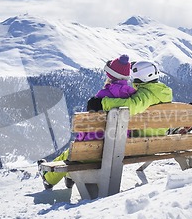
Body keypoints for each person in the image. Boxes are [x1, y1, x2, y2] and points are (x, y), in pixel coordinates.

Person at [39, 60, 173, 190]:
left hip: (138, 144)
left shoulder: (146, 94)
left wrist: (103, 103)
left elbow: (131, 106)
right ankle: (70, 176)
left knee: (74, 153)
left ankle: (49, 178)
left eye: (135, 79)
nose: (133, 82)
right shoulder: (163, 92)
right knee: (83, 151)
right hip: (155, 142)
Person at [40, 55, 136, 190]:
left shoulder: (101, 97)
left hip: (94, 152)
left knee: (70, 154)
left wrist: (80, 141)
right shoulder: (132, 96)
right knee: (76, 152)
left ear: (110, 75)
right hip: (122, 149)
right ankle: (69, 177)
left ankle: (48, 179)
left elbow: (89, 130)